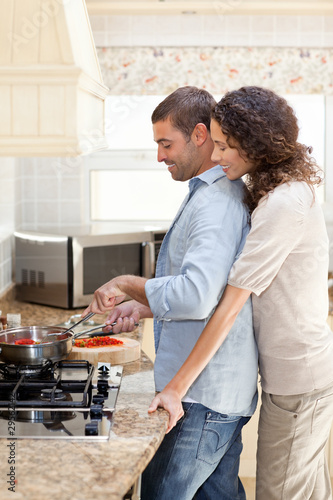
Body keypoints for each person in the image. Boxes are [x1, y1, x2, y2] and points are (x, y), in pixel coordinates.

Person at [141, 86, 333, 500]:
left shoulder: (285, 202)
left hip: (299, 379)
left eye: (225, 146)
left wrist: (176, 388)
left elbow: (225, 307)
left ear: (255, 142)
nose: (218, 155)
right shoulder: (274, 191)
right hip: (289, 376)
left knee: (281, 493)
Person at [83, 86, 258, 500]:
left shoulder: (215, 203)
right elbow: (206, 293)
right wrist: (144, 307)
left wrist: (127, 283)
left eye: (166, 144)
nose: (160, 155)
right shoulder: (207, 194)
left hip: (201, 399)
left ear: (200, 135)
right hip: (213, 395)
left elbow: (196, 295)